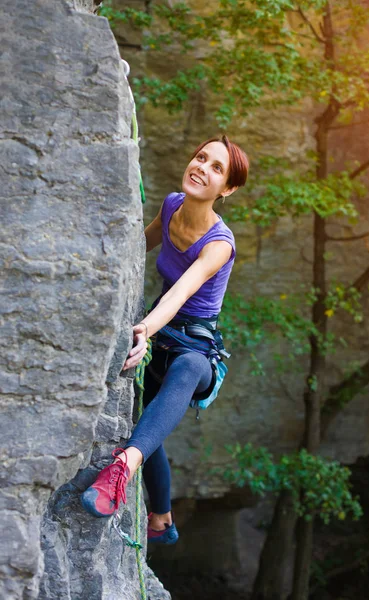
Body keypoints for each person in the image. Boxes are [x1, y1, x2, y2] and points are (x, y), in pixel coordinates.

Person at [81, 135, 249, 544]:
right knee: (148, 428)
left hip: (195, 346)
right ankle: (162, 520)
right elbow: (138, 244)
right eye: (200, 157)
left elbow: (180, 293)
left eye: (216, 168)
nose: (201, 168)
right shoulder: (173, 205)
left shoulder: (219, 245)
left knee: (189, 368)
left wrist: (143, 330)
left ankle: (121, 471)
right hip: (162, 331)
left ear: (227, 189)